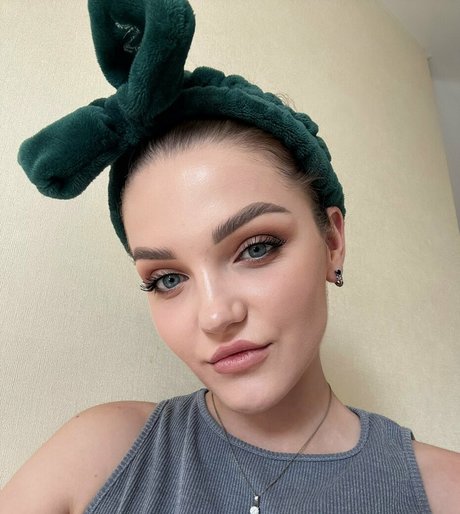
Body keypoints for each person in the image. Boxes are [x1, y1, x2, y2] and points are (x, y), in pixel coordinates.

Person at [1, 1, 459, 513]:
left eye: (256, 248)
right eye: (167, 279)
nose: (216, 315)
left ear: (332, 241)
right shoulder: (95, 458)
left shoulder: (444, 491)